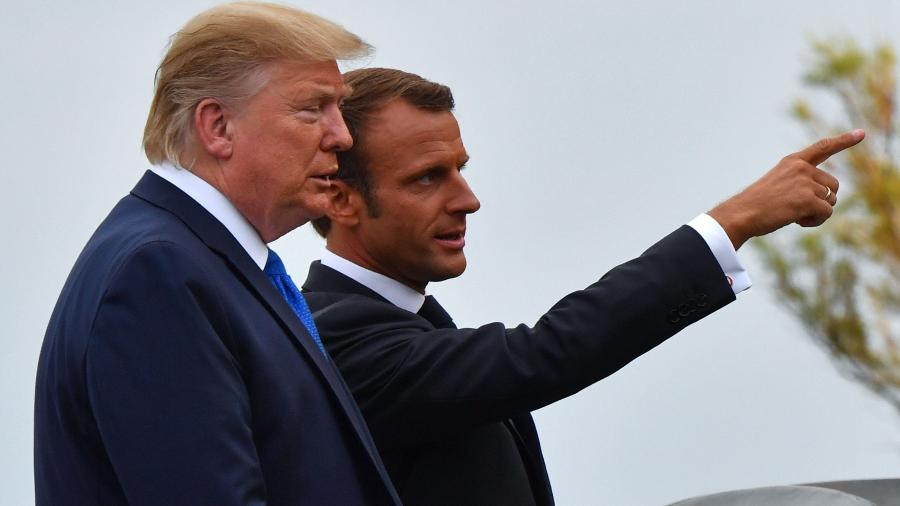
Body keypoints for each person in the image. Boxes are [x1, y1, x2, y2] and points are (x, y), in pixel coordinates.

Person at [301, 68, 864, 506]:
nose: (466, 199)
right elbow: (545, 353)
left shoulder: (404, 322)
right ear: (340, 200)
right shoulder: (336, 334)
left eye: (460, 168)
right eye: (427, 177)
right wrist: (732, 222)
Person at [33, 5, 400, 505]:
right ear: (218, 126)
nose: (342, 136)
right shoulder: (158, 274)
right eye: (314, 108)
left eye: (339, 107)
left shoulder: (200, 260)